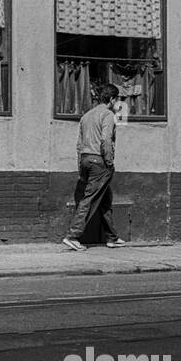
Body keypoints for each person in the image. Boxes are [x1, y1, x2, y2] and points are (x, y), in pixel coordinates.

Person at [61, 83, 126, 251]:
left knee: (105, 200)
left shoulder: (86, 116)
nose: (117, 104)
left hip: (85, 159)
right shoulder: (108, 115)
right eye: (116, 100)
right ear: (112, 99)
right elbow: (106, 139)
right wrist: (109, 161)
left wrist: (80, 168)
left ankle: (112, 237)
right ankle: (73, 236)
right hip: (100, 162)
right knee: (89, 199)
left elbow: (79, 144)